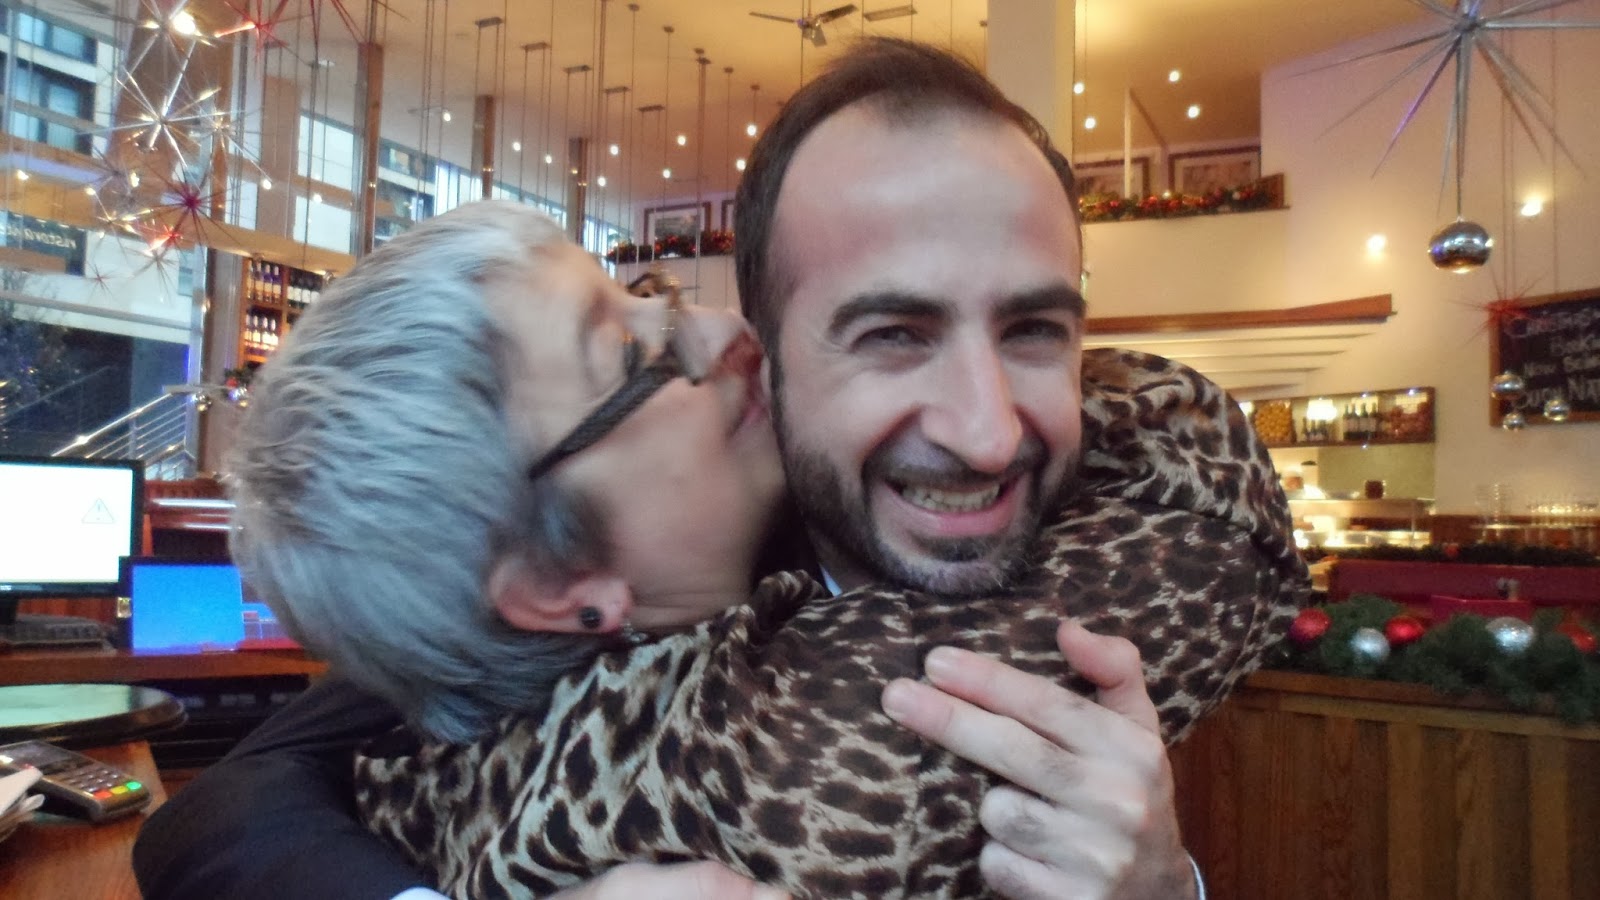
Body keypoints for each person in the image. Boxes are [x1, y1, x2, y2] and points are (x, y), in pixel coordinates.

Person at [134, 38, 1303, 900]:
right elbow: (230, 803)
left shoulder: (1118, 523)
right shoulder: (514, 727)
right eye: (892, 332)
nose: (988, 432)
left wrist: (1165, 889)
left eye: (1035, 328)